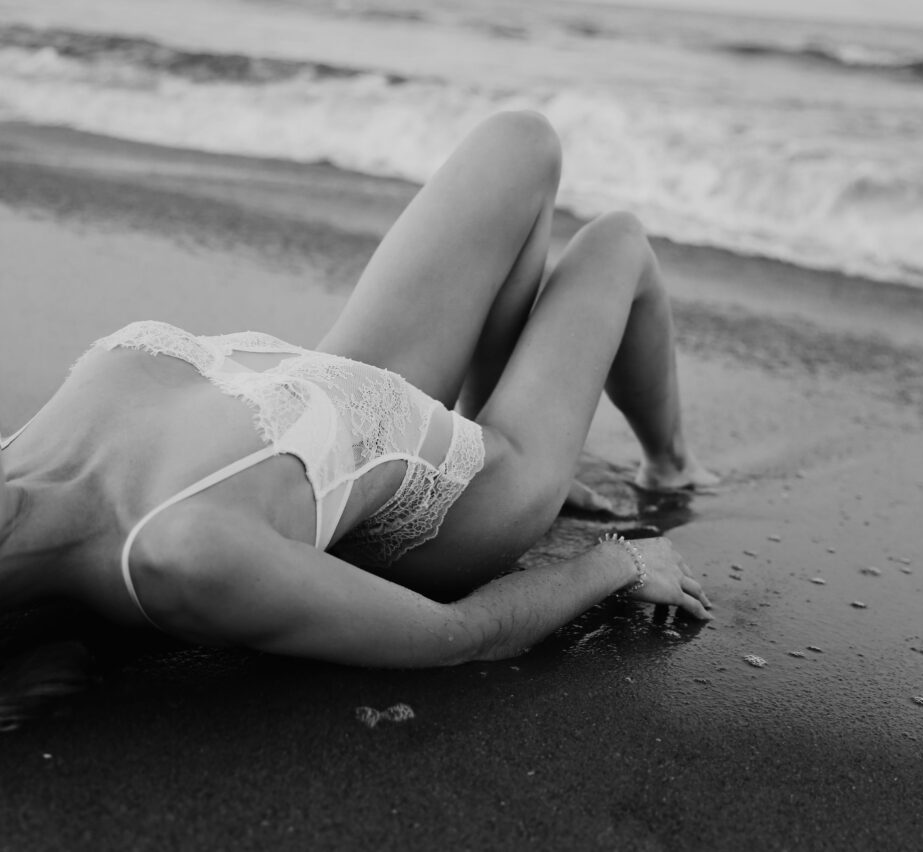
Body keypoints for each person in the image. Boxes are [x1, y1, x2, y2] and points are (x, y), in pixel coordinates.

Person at [0, 111, 716, 672]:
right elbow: (457, 636)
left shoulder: (16, 461)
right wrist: (618, 562)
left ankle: (525, 419)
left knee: (521, 142)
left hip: (347, 399)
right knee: (617, 244)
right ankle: (669, 466)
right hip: (462, 501)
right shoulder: (179, 555)